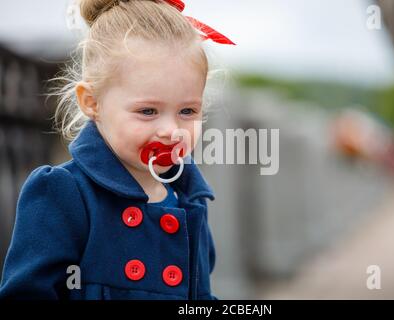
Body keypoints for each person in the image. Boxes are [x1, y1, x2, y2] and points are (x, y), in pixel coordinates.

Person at [0, 0, 234, 300]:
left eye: (187, 111)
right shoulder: (63, 192)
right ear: (92, 102)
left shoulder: (190, 201)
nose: (171, 129)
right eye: (148, 111)